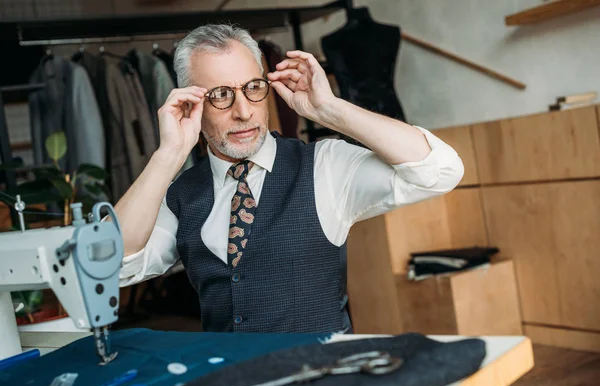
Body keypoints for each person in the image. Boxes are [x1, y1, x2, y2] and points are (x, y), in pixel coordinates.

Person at [112, 24, 464, 333]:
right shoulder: (181, 194)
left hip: (322, 382)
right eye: (220, 95)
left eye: (253, 87)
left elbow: (440, 171)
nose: (244, 111)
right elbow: (114, 268)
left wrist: (331, 110)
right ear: (191, 104)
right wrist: (168, 155)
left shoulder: (324, 165)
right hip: (229, 385)